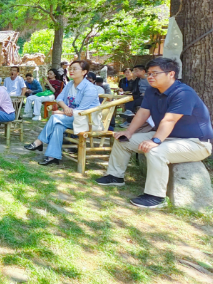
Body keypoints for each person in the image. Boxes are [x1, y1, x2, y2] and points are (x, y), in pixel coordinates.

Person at [96, 57, 213, 208]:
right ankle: (115, 176)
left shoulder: (183, 93)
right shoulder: (152, 91)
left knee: (155, 151)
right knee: (123, 140)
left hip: (196, 142)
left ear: (171, 74)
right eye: (149, 73)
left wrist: (155, 141)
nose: (150, 77)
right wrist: (129, 132)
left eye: (155, 73)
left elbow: (169, 120)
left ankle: (155, 196)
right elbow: (142, 113)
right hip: (167, 136)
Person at [24, 60, 100, 165]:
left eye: (75, 69)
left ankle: (39, 142)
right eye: (70, 69)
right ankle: (52, 156)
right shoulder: (70, 84)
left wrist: (61, 113)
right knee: (58, 126)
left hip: (87, 120)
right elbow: (59, 98)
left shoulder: (89, 89)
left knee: (55, 118)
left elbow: (82, 111)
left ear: (84, 72)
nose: (71, 71)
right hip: (71, 117)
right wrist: (65, 108)